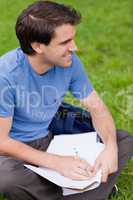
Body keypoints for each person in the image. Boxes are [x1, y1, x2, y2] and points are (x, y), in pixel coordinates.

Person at [0, 1, 133, 200]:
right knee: (7, 179)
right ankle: (89, 189)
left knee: (122, 140)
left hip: (50, 131)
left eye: (73, 39)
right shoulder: (6, 74)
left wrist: (111, 148)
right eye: (65, 42)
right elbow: (2, 141)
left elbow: (98, 108)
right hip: (14, 151)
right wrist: (56, 162)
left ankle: (73, 188)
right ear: (37, 46)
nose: (75, 47)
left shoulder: (69, 63)